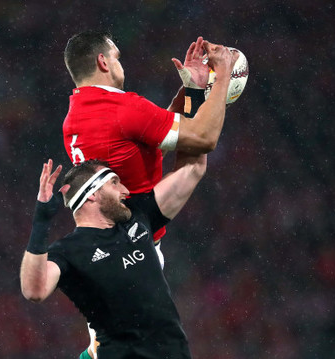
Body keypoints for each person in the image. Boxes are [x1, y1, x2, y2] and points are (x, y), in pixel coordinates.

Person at [61, 31, 239, 358]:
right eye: (115, 56)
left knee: (103, 347)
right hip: (134, 251)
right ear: (102, 61)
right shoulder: (121, 108)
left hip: (105, 251)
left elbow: (153, 132)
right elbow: (200, 138)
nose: (119, 62)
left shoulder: (75, 117)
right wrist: (223, 76)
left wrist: (194, 88)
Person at [20, 152, 207, 359]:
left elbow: (193, 167)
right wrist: (41, 222)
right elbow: (34, 290)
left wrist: (187, 122)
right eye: (114, 182)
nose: (125, 190)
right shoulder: (69, 251)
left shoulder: (137, 217)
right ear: (92, 193)